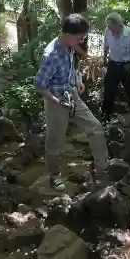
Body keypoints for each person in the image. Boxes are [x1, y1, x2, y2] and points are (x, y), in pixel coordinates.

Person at [35, 13, 109, 191]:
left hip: (73, 95)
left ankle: (104, 169)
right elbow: (39, 85)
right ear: (67, 34)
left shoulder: (70, 46)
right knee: (56, 142)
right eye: (80, 37)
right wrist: (55, 100)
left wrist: (78, 80)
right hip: (56, 102)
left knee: (95, 127)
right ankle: (54, 175)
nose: (82, 40)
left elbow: (71, 67)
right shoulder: (51, 55)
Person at [101, 12, 130, 122]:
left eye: (112, 28)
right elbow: (106, 46)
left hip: (127, 65)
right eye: (108, 28)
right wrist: (104, 58)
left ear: (119, 25)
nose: (110, 30)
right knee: (109, 90)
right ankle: (106, 115)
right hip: (113, 64)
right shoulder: (108, 31)